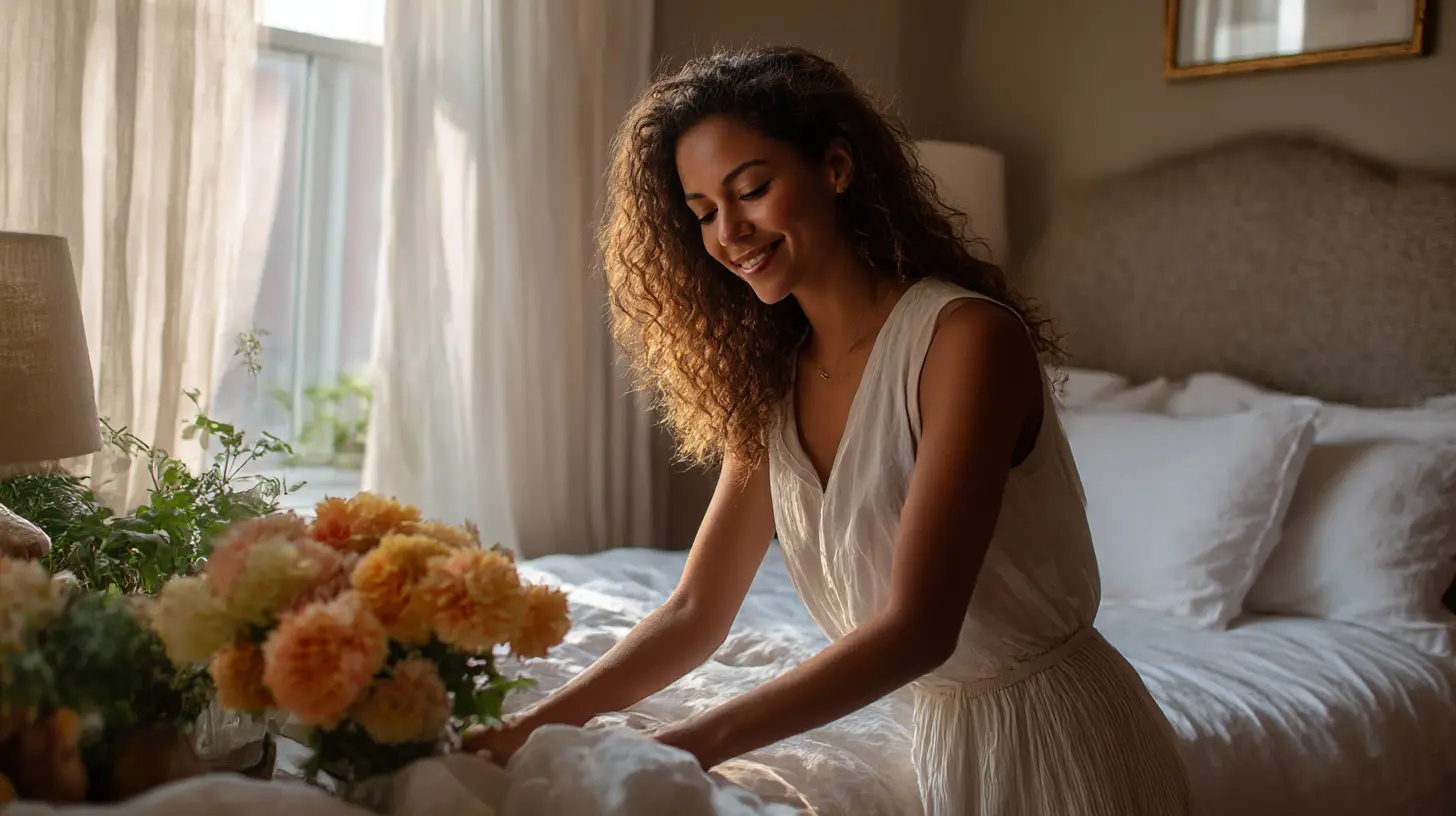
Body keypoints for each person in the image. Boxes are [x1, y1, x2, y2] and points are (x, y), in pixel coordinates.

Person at [464, 45, 1192, 815]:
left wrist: (684, 745)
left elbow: (918, 630)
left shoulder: (967, 341)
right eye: (705, 211)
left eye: (751, 189)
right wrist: (530, 726)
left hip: (1060, 750)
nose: (729, 233)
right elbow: (695, 612)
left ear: (836, 167)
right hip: (939, 742)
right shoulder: (774, 381)